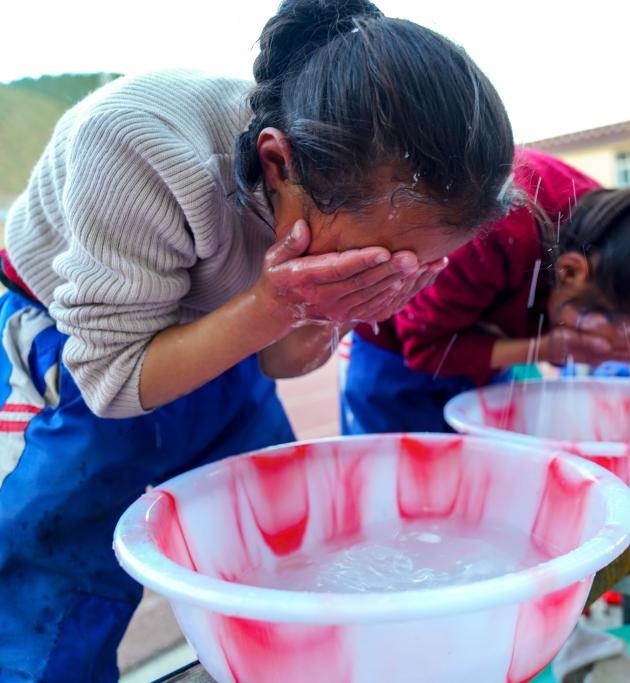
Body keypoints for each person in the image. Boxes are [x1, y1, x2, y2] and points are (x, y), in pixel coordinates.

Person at [0, 1, 515, 679]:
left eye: (410, 270)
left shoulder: (340, 212)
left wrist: (321, 313)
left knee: (284, 527)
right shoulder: (142, 145)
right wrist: (276, 304)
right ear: (276, 164)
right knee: (60, 564)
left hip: (234, 313)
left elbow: (275, 357)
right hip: (82, 336)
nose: (388, 279)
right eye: (369, 261)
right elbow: (112, 380)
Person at [341, 152, 630, 434]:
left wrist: (552, 344)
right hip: (394, 359)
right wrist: (547, 347)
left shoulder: (619, 238)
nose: (602, 353)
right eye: (605, 338)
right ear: (571, 272)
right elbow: (426, 349)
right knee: (401, 500)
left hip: (483, 345)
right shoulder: (496, 226)